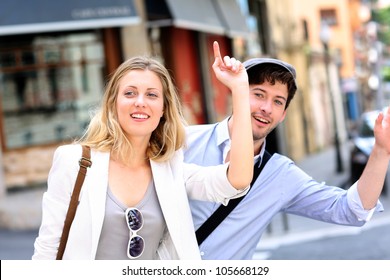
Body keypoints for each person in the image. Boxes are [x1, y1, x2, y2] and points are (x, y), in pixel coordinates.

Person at [32, 41, 253, 260]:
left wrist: (240, 90)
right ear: (113, 103)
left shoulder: (172, 170)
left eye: (152, 95)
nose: (140, 102)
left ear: (163, 109)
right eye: (129, 93)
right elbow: (48, 248)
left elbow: (237, 180)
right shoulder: (74, 162)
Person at [184, 57, 390, 259]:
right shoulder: (184, 142)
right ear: (237, 95)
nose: (266, 108)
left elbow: (352, 210)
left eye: (277, 101)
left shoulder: (280, 175)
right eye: (258, 94)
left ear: (283, 114)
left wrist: (381, 151)